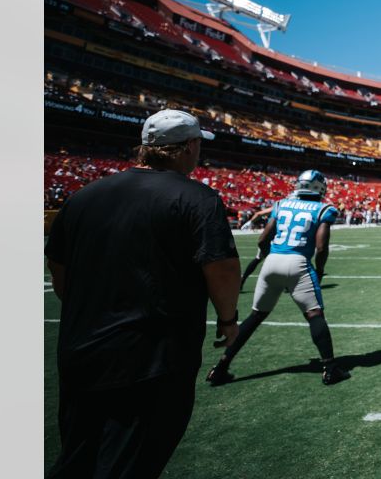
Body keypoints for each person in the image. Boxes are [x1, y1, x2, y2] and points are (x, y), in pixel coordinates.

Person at [46, 109, 241, 478]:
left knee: (76, 458)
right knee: (129, 463)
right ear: (189, 147)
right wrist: (228, 318)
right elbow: (222, 267)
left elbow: (58, 267)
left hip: (80, 347)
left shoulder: (84, 196)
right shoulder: (197, 198)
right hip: (151, 357)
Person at [206, 170, 351, 386]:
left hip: (272, 261)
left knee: (255, 316)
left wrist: (267, 254)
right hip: (298, 263)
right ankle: (330, 368)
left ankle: (221, 366)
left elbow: (264, 237)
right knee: (314, 314)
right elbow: (321, 247)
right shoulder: (324, 209)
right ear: (320, 187)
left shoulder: (281, 204)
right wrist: (319, 270)